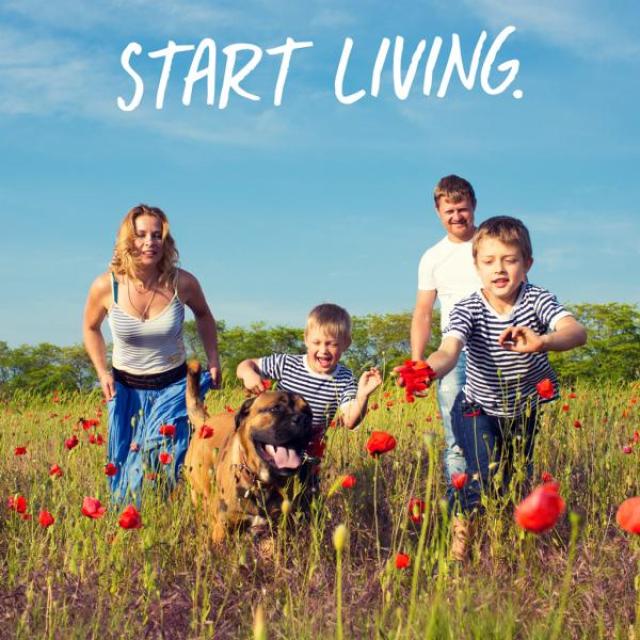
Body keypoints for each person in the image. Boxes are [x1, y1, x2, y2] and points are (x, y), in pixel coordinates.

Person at [422, 216, 587, 560]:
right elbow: (448, 351)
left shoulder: (538, 300)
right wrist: (426, 369)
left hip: (522, 410)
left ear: (527, 264)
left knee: (513, 480)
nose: (499, 269)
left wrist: (543, 341)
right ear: (476, 267)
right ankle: (458, 550)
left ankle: (503, 547)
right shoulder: (467, 308)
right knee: (481, 475)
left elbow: (576, 331)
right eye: (489, 261)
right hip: (476, 407)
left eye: (510, 260)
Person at [83, 204, 221, 505]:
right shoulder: (105, 286)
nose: (150, 242)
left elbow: (204, 316)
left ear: (166, 241)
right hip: (126, 389)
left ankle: (160, 511)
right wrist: (102, 371)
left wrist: (214, 359)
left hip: (172, 386)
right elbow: (90, 328)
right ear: (127, 240)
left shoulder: (183, 283)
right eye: (141, 235)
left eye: (157, 235)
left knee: (161, 454)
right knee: (122, 467)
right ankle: (134, 520)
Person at [236, 303, 382, 471]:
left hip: (309, 450)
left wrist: (362, 396)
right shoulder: (287, 364)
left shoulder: (344, 378)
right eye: (316, 342)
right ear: (306, 339)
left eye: (332, 344)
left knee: (306, 494)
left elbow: (350, 420)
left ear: (346, 344)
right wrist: (249, 374)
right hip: (276, 441)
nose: (323, 350)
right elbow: (245, 365)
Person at [411, 175, 481, 489]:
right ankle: (462, 515)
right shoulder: (432, 257)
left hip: (500, 350)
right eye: (448, 211)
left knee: (510, 437)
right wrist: (416, 363)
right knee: (456, 439)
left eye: (462, 209)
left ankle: (511, 511)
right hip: (455, 354)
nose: (456, 216)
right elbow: (423, 312)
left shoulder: (491, 243)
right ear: (438, 213)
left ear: (474, 206)